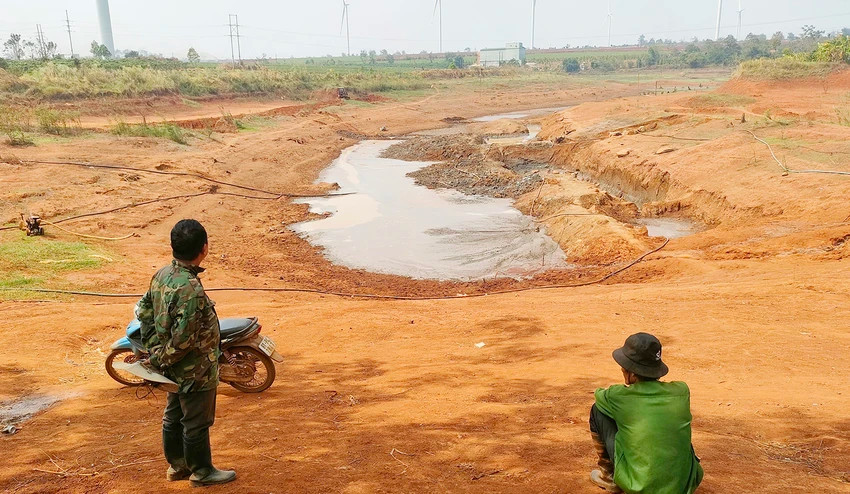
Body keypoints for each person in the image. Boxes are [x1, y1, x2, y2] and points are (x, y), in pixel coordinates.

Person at [136, 219, 236, 486]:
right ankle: (202, 472)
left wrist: (154, 350)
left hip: (172, 366)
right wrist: (160, 357)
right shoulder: (191, 289)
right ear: (204, 248)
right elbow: (184, 341)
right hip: (195, 370)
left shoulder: (161, 275)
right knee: (196, 422)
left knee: (174, 415)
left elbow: (143, 311)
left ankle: (177, 466)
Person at [589, 333, 703, 493]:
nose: (622, 368)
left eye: (624, 366)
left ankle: (608, 475)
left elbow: (599, 395)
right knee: (668, 425)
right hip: (684, 486)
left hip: (637, 486)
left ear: (633, 373)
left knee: (598, 410)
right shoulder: (682, 391)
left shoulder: (618, 396)